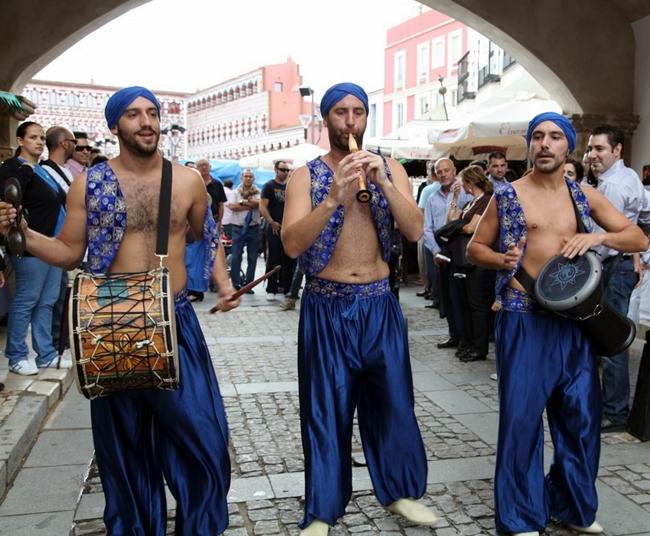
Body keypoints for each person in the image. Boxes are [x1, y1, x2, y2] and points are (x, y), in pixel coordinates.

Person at [0, 86, 239, 535]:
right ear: (116, 126)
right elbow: (71, 251)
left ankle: (200, 528)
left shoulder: (187, 180)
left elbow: (206, 235)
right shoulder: (90, 183)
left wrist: (223, 284)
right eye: (133, 114)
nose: (146, 122)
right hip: (111, 323)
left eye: (152, 113)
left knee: (203, 440)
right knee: (126, 450)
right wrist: (23, 234)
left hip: (174, 319)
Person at [468, 112, 648, 536]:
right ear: (530, 145)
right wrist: (500, 259)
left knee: (581, 421)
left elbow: (638, 238)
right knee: (522, 422)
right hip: (523, 319)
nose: (545, 144)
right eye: (537, 137)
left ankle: (571, 507)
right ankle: (520, 516)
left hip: (574, 322)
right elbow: (475, 247)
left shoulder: (584, 196)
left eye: (554, 137)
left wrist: (598, 237)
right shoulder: (507, 195)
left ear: (569, 146)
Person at [282, 82, 437, 536]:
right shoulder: (305, 176)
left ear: (367, 118)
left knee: (394, 404)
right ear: (326, 119)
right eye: (340, 113)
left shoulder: (390, 169)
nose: (350, 122)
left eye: (358, 113)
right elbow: (292, 245)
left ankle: (403, 492)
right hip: (326, 306)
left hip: (379, 304)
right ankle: (322, 511)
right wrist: (335, 196)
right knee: (325, 410)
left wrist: (384, 183)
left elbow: (413, 232)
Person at [587, 124, 646, 433]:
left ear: (617, 150)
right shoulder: (630, 177)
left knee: (611, 342)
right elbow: (646, 217)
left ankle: (615, 412)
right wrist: (641, 259)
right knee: (612, 338)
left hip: (611, 268)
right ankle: (612, 408)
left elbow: (600, 241)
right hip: (621, 265)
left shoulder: (611, 186)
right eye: (590, 149)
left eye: (599, 149)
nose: (592, 155)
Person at [0, 121, 69, 375]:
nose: (39, 142)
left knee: (47, 301)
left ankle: (46, 354)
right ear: (20, 141)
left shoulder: (41, 169)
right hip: (30, 245)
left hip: (52, 245)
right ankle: (17, 356)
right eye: (32, 137)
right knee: (27, 300)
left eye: (41, 138)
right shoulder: (15, 167)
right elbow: (9, 195)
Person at [446, 165, 494, 361]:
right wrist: (456, 199)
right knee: (467, 303)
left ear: (469, 182)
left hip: (479, 263)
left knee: (477, 305)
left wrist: (457, 227)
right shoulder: (470, 202)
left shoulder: (485, 201)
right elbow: (451, 220)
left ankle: (480, 346)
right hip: (466, 260)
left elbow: (470, 229)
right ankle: (471, 342)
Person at [423, 158, 472, 349]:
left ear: (454, 171)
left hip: (460, 250)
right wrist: (435, 252)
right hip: (440, 251)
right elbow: (426, 229)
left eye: (447, 170)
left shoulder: (464, 194)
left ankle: (465, 337)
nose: (443, 174)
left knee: (461, 295)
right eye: (439, 171)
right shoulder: (432, 198)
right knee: (445, 295)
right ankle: (453, 334)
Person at [259, 160, 296, 301]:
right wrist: (271, 222)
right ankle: (271, 288)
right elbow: (262, 206)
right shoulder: (269, 185)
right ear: (276, 170)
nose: (285, 172)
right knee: (273, 258)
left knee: (290, 258)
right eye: (283, 169)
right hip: (274, 227)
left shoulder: (291, 186)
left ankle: (287, 287)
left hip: (289, 227)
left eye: (287, 170)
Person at [228, 168, 261, 291]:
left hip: (253, 228)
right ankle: (236, 282)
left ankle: (249, 284)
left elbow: (258, 203)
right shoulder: (235, 192)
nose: (248, 178)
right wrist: (249, 204)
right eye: (246, 176)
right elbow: (232, 207)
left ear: (253, 178)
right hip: (238, 228)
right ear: (241, 178)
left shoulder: (258, 192)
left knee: (252, 257)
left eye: (250, 176)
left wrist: (241, 203)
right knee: (236, 257)